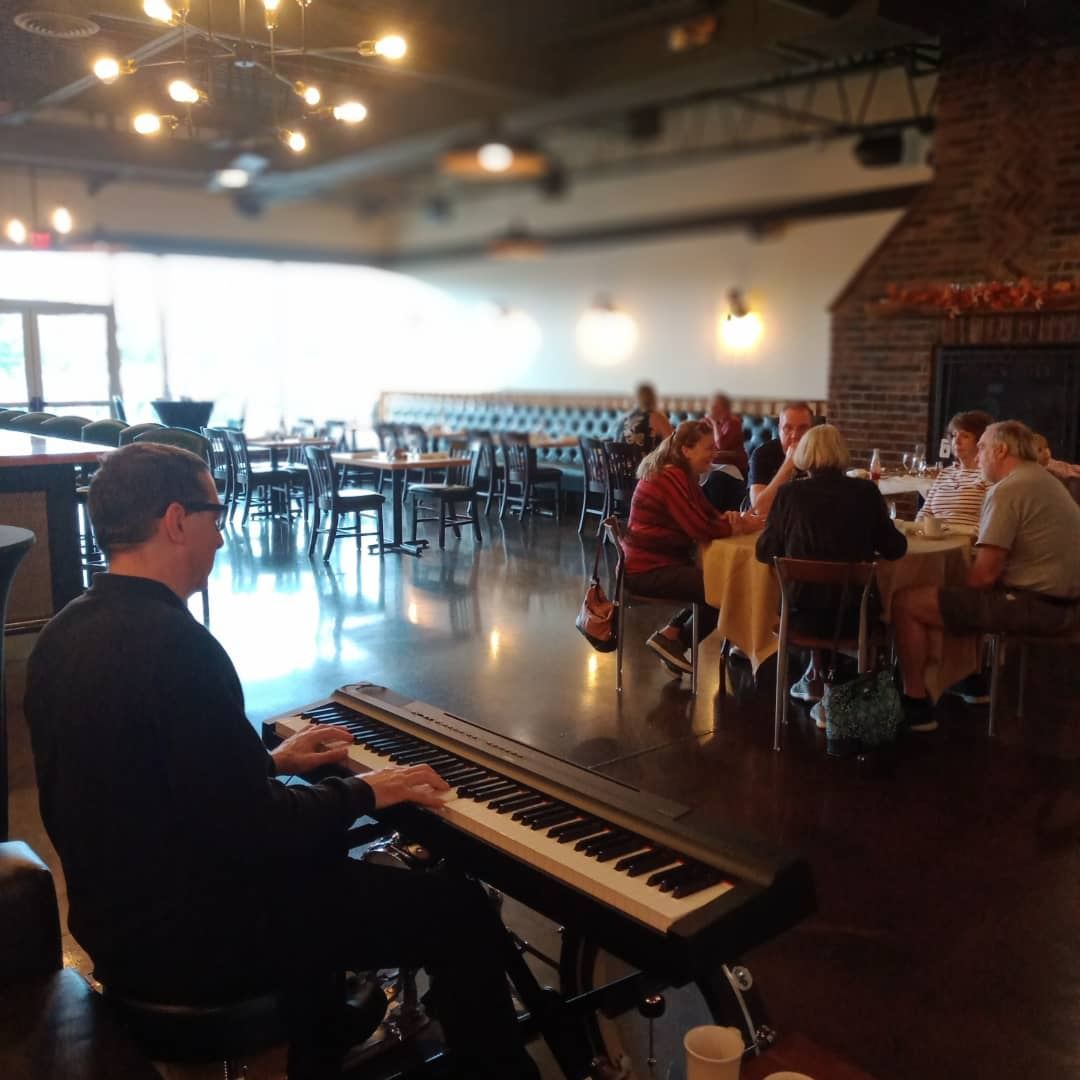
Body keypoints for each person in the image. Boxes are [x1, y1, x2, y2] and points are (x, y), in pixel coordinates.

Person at [24, 443, 538, 1080]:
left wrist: (270, 762)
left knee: (341, 870)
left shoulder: (62, 634)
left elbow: (146, 781)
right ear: (177, 520)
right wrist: (370, 790)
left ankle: (319, 1043)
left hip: (118, 926)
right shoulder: (178, 646)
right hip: (204, 939)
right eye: (214, 516)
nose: (221, 536)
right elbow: (254, 828)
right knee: (456, 910)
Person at [892, 421, 1080, 733]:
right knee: (950, 597)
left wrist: (947, 589)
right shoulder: (1043, 480)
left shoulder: (1008, 490)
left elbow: (982, 579)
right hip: (1067, 602)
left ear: (1001, 450)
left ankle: (915, 704)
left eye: (982, 448)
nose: (978, 457)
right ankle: (967, 678)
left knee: (907, 602)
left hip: (1039, 607)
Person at [756, 424, 906, 719]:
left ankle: (820, 683)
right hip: (855, 618)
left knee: (816, 593)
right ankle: (841, 690)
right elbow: (895, 549)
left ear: (804, 455)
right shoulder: (866, 492)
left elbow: (764, 552)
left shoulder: (789, 495)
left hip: (800, 616)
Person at [622, 420, 761, 674]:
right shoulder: (670, 477)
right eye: (708, 448)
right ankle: (676, 642)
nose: (714, 454)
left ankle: (671, 636)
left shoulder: (681, 475)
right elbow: (700, 529)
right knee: (726, 589)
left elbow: (707, 514)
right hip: (646, 570)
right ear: (686, 450)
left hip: (655, 564)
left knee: (722, 584)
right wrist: (738, 527)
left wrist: (731, 519)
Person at [916, 410, 994, 528]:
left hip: (967, 537)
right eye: (954, 435)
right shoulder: (945, 473)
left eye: (965, 436)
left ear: (980, 442)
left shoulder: (988, 475)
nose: (956, 441)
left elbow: (992, 519)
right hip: (935, 536)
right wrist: (916, 529)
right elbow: (925, 512)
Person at [747, 401, 815, 518]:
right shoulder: (763, 454)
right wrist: (788, 464)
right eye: (788, 428)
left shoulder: (821, 454)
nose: (794, 435)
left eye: (802, 428)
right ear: (779, 430)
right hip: (773, 521)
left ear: (812, 430)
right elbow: (760, 509)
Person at [701, 392, 749, 511]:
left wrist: (714, 423)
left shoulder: (733, 423)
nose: (712, 409)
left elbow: (721, 445)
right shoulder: (705, 422)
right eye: (711, 406)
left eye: (716, 406)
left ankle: (714, 515)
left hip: (734, 468)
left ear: (726, 409)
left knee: (715, 478)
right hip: (713, 465)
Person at [619, 381, 673, 453]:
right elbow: (672, 442)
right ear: (653, 398)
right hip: (647, 459)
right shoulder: (657, 417)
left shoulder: (624, 418)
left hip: (621, 459)